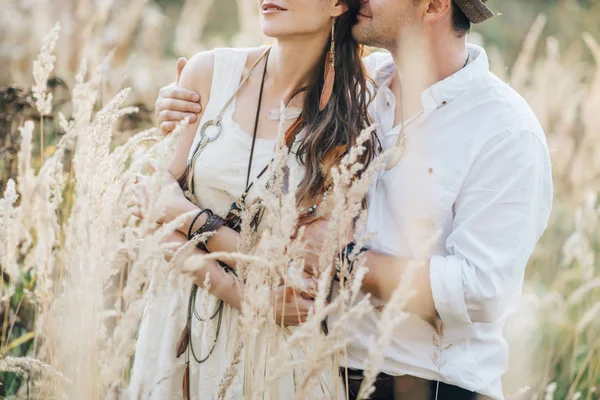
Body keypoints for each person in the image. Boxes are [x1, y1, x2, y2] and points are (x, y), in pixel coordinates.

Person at [155, 1, 554, 399]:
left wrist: (343, 259)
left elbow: (481, 290)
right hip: (318, 366)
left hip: (425, 383)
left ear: (433, 5)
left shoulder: (505, 130)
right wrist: (182, 111)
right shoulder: (357, 86)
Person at [128, 0, 378, 399]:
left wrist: (190, 219)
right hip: (178, 321)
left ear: (337, 5)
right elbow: (150, 212)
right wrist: (241, 294)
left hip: (278, 349)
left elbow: (300, 272)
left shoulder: (351, 114)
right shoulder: (209, 74)